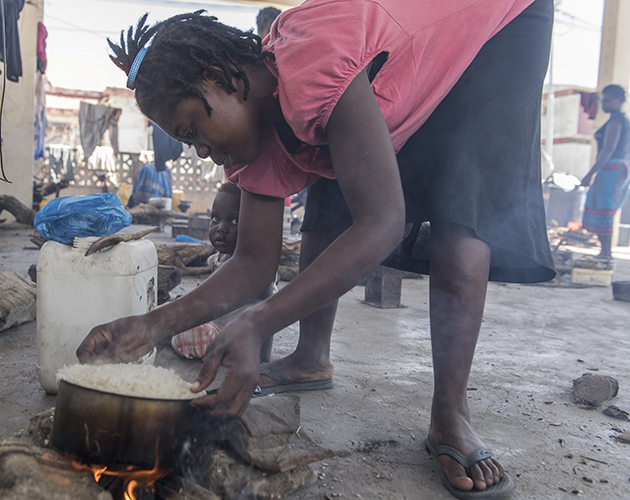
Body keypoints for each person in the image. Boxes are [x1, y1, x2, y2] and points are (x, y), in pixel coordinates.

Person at [80, 1, 555, 497]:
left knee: (462, 209)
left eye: (191, 129)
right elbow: (253, 261)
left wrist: (259, 321)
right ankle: (311, 358)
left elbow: (383, 222)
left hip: (498, 20)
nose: (199, 149)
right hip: (397, 66)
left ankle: (450, 413)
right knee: (337, 183)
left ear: (215, 75)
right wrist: (150, 326)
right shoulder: (258, 138)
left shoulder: (310, 59)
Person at [171, 183, 277, 364]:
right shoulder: (221, 257)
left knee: (181, 332)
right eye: (216, 218)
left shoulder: (258, 267)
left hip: (238, 340)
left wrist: (261, 357)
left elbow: (267, 316)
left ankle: (229, 356)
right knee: (171, 310)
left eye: (234, 221)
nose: (221, 227)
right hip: (216, 326)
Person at [581, 84, 630, 259]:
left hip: (611, 171)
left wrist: (590, 174)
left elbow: (608, 150)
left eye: (608, 100)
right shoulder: (620, 120)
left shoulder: (617, 121)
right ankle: (604, 251)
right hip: (616, 171)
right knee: (603, 209)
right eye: (603, 100)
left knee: (604, 210)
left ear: (619, 101)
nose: (604, 104)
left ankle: (605, 252)